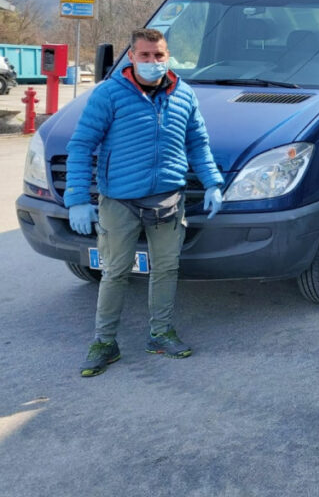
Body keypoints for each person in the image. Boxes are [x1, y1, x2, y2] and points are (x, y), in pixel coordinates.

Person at [66, 28, 224, 377]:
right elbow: (81, 145)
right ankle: (104, 342)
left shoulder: (183, 94)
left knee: (166, 269)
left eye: (159, 55)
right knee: (115, 272)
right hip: (119, 201)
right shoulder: (109, 94)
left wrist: (213, 182)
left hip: (168, 200)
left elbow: (198, 143)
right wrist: (76, 197)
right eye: (145, 55)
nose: (153, 61)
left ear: (168, 56)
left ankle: (161, 334)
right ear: (132, 57)